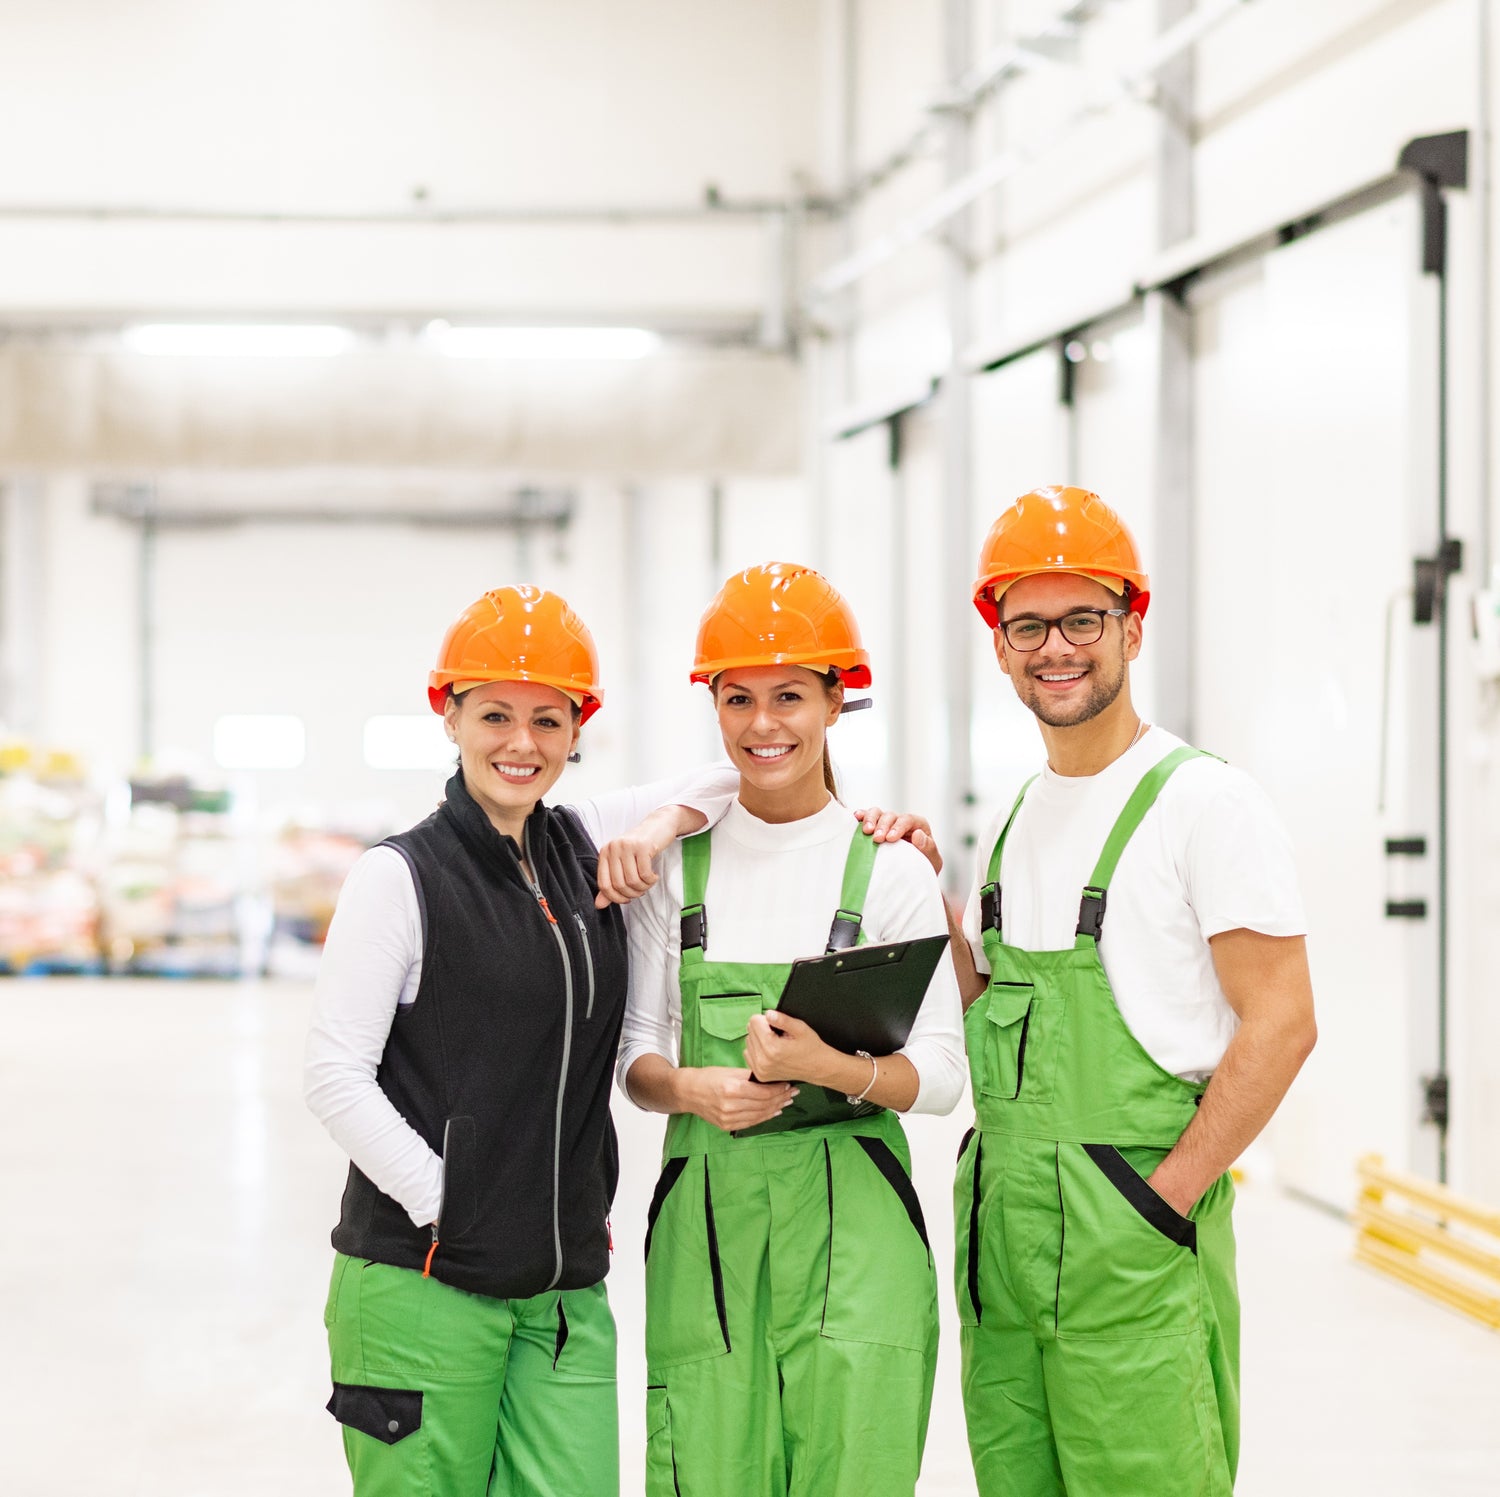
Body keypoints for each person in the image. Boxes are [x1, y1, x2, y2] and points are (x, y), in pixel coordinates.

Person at [304, 583, 738, 1497]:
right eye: (495, 714)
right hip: (423, 1282)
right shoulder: (401, 876)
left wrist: (658, 827)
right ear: (448, 714)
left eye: (549, 719)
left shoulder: (583, 842)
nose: (522, 743)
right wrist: (450, 1204)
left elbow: (736, 774)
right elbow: (335, 1076)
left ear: (578, 728)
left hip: (563, 1294)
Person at [943, 486, 1318, 1496]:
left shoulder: (1206, 803)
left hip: (1130, 1242)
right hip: (1006, 1244)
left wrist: (1164, 1203)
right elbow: (994, 1019)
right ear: (1001, 643)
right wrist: (928, 887)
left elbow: (1282, 1023)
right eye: (1030, 624)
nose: (1056, 647)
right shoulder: (1021, 811)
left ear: (1132, 628)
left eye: (1083, 620)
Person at [618, 561, 967, 1497]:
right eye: (738, 698)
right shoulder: (677, 872)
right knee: (708, 1460)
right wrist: (691, 1088)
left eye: (788, 696)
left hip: (856, 1220)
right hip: (709, 1222)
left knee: (857, 1462)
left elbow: (940, 1075)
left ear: (835, 701)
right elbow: (636, 1054)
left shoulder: (888, 870)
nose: (763, 723)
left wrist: (828, 1065)